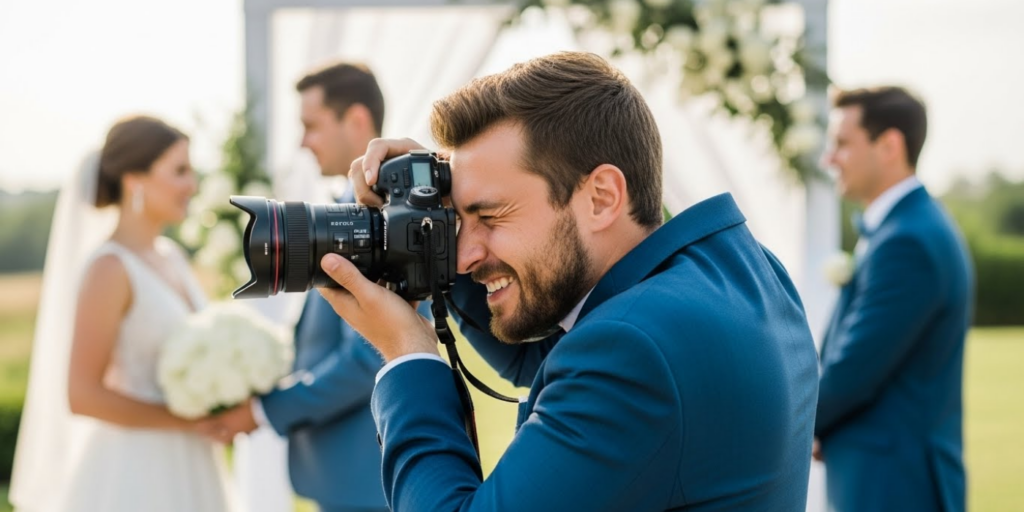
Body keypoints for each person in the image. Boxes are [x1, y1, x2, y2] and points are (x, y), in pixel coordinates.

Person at [315, 51, 820, 511]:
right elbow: (538, 355)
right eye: (461, 220)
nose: (465, 258)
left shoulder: (631, 347)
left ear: (601, 196)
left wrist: (408, 353)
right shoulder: (742, 274)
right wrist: (432, 215)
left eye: (490, 216)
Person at [9, 116, 237, 512]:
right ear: (135, 181)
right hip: (135, 468)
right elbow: (82, 396)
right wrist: (186, 420)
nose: (192, 185)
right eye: (179, 171)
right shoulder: (109, 269)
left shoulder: (172, 257)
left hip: (193, 461)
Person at [208, 62, 392, 512]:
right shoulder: (343, 211)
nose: (302, 142)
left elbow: (370, 354)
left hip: (369, 480)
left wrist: (262, 410)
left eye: (311, 125)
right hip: (343, 479)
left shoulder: (376, 217)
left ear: (357, 121)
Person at [814, 86, 973, 512]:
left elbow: (856, 366)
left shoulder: (908, 242)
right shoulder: (902, 229)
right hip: (885, 475)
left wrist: (795, 426)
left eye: (843, 144)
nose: (829, 159)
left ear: (889, 145)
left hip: (895, 484)